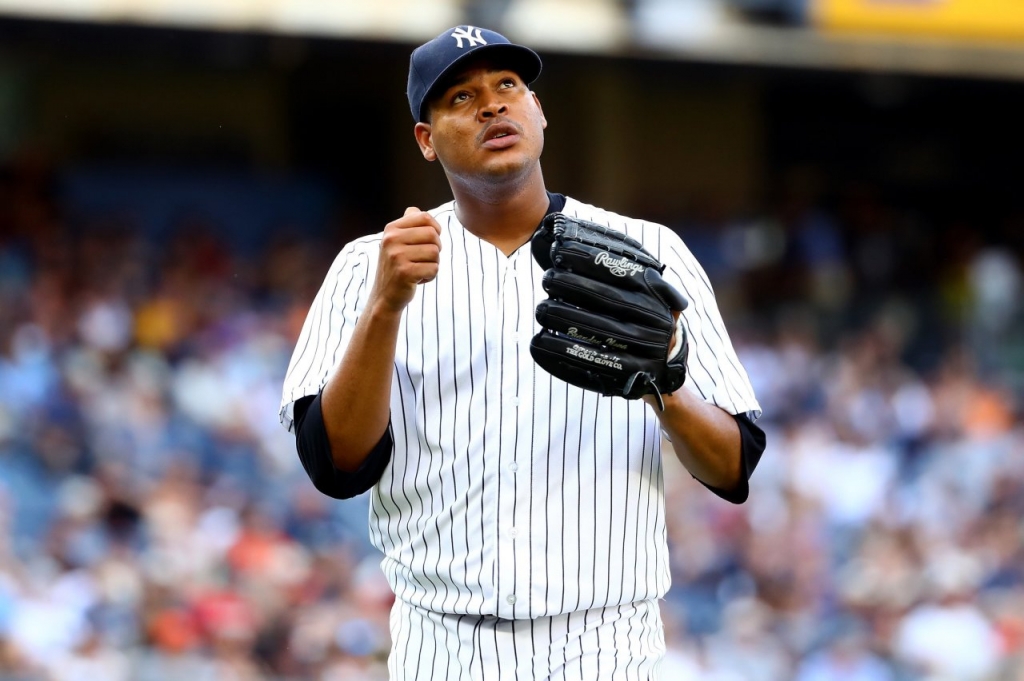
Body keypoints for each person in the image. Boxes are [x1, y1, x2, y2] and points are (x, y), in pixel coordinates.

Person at [280, 25, 765, 680]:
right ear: (425, 139)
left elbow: (733, 466)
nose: (492, 105)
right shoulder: (371, 264)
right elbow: (335, 463)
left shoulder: (648, 251)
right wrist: (386, 305)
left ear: (538, 111)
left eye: (508, 86)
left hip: (608, 643)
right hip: (444, 645)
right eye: (460, 97)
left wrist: (666, 387)